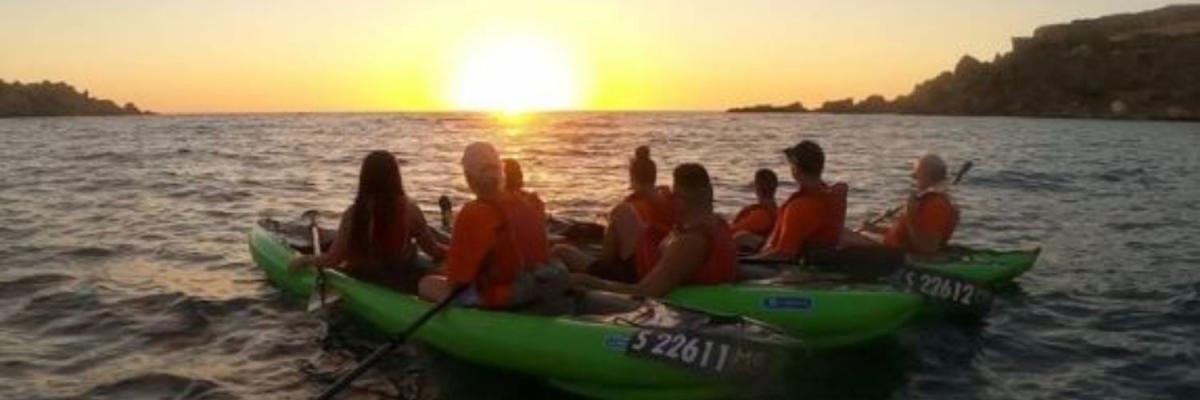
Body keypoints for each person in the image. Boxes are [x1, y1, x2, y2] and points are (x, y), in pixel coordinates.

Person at [418, 142, 556, 309]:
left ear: (468, 177)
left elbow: (457, 282)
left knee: (427, 283)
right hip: (539, 283)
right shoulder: (532, 201)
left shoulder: (472, 213)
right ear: (501, 171)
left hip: (507, 296)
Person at [569, 163, 736, 297]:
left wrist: (589, 282)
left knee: (562, 251)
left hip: (637, 278)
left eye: (674, 196)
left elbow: (644, 292)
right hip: (651, 264)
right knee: (626, 215)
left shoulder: (691, 242)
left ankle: (600, 265)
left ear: (678, 197)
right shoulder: (719, 223)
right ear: (710, 192)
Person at [289, 150, 446, 292]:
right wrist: (455, 251)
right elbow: (432, 249)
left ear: (364, 179)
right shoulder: (411, 209)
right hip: (404, 277)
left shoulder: (353, 214)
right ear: (396, 177)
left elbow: (333, 259)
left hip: (366, 276)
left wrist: (305, 260)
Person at [552, 146, 675, 283]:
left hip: (634, 275)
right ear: (654, 175)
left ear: (632, 176)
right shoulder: (671, 201)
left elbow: (607, 259)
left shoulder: (624, 209)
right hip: (665, 267)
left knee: (559, 249)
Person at [848, 154, 959, 255]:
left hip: (894, 258)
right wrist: (875, 229)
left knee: (842, 236)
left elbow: (928, 248)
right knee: (843, 234)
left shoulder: (936, 205)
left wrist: (910, 214)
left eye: (916, 174)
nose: (913, 177)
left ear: (927, 174)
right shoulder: (925, 199)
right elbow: (907, 235)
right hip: (890, 249)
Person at [753, 140, 844, 261]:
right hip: (817, 261)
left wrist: (752, 259)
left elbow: (784, 254)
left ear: (796, 169)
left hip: (785, 268)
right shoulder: (833, 196)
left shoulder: (799, 207)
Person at [731, 168, 779, 251]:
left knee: (741, 236)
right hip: (766, 246)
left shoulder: (761, 214)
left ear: (757, 187)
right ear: (775, 187)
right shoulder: (779, 211)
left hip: (760, 253)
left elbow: (731, 231)